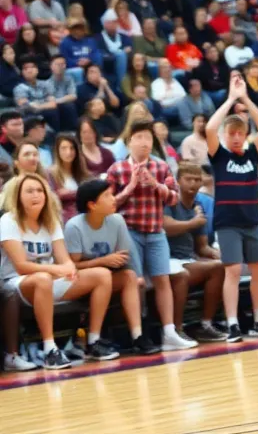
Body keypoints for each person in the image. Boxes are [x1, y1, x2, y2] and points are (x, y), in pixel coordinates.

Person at [0, 173, 117, 368]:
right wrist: (58, 269)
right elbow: (21, 266)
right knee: (43, 278)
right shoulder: (8, 221)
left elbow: (65, 260)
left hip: (48, 280)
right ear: (18, 196)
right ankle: (49, 349)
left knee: (102, 275)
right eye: (29, 191)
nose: (36, 195)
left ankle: (93, 341)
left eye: (40, 190)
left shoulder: (50, 221)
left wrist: (68, 269)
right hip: (17, 284)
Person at [106, 120, 198, 351]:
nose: (144, 143)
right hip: (129, 232)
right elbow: (106, 207)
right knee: (136, 283)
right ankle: (139, 335)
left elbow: (174, 199)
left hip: (156, 232)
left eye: (148, 138)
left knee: (162, 280)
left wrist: (156, 185)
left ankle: (169, 333)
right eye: (139, 138)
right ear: (129, 142)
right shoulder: (116, 169)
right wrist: (130, 187)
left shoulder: (161, 167)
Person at [206, 72, 258, 341]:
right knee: (233, 270)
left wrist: (246, 98)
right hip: (228, 222)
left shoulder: (252, 153)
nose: (236, 137)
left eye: (240, 133)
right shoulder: (219, 155)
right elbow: (210, 128)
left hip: (252, 220)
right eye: (231, 133)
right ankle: (233, 323)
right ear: (226, 136)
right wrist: (231, 99)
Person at [65, 180, 151, 355]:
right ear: (92, 205)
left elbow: (124, 254)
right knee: (103, 273)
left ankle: (137, 336)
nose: (114, 199)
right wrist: (103, 261)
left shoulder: (117, 221)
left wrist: (137, 274)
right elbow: (72, 266)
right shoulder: (74, 226)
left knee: (129, 277)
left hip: (104, 278)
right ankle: (93, 340)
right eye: (107, 196)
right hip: (77, 281)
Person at [163, 163, 226, 343]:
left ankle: (205, 325)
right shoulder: (170, 201)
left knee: (219, 266)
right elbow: (166, 227)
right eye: (188, 179)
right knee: (182, 275)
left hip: (187, 259)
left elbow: (202, 247)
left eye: (197, 179)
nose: (193, 183)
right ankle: (176, 330)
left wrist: (217, 253)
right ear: (178, 181)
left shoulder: (198, 206)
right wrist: (194, 223)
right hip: (166, 260)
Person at [48, 133, 89, 219]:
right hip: (63, 218)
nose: (68, 152)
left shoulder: (82, 172)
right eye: (64, 148)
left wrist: (67, 194)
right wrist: (79, 193)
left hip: (84, 215)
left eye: (72, 148)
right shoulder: (50, 173)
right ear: (57, 151)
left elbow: (89, 194)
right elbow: (53, 198)